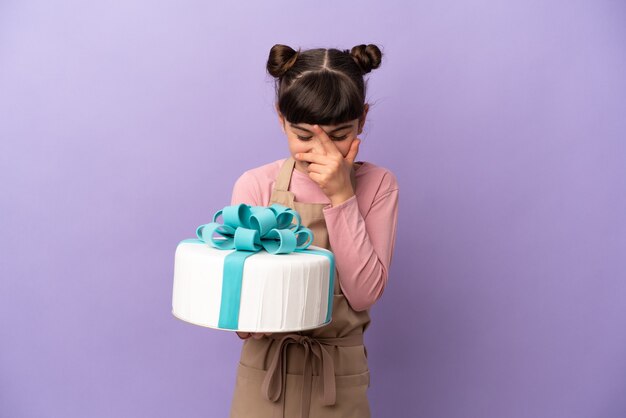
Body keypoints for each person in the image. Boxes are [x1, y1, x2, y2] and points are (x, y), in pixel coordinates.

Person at [228, 43, 399, 418]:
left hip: (337, 374)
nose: (322, 151)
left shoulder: (378, 184)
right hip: (266, 371)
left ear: (363, 119)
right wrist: (248, 313)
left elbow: (363, 294)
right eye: (304, 136)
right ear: (280, 119)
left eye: (339, 135)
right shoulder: (256, 185)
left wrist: (341, 195)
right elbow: (241, 315)